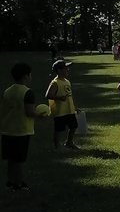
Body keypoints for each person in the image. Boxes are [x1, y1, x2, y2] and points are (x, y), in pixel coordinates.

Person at [1, 62, 50, 190]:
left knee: (11, 159)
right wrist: (40, 115)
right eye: (30, 74)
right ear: (26, 76)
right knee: (19, 160)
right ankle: (20, 183)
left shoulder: (7, 91)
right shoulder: (27, 92)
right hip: (21, 130)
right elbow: (29, 112)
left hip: (7, 129)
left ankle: (10, 182)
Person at [46, 59, 80, 150]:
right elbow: (48, 95)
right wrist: (59, 98)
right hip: (60, 111)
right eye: (66, 68)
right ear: (59, 71)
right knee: (59, 130)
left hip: (69, 109)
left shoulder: (67, 81)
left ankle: (69, 142)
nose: (67, 70)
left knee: (73, 126)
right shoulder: (55, 82)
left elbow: (70, 96)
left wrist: (75, 107)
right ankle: (56, 146)